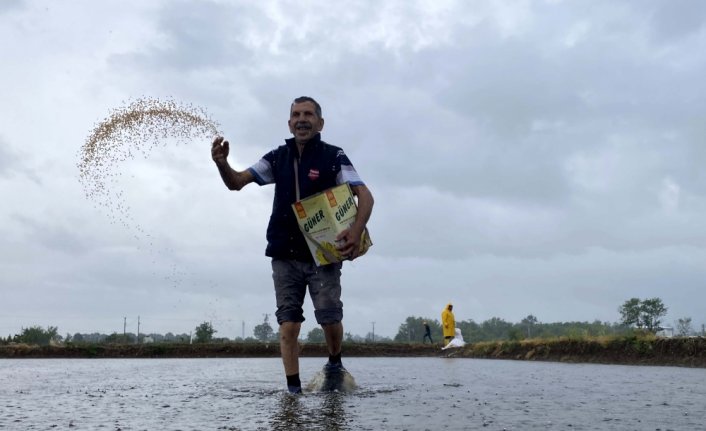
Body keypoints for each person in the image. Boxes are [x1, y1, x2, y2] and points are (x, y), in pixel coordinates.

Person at [211, 96, 374, 394]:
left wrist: (356, 229)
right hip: (283, 254)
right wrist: (222, 164)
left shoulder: (333, 157)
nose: (302, 119)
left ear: (320, 123)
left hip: (322, 254)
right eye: (296, 114)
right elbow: (236, 182)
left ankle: (334, 362)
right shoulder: (277, 158)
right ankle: (293, 390)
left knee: (329, 316)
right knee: (288, 323)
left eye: (309, 114)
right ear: (289, 123)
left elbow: (365, 195)